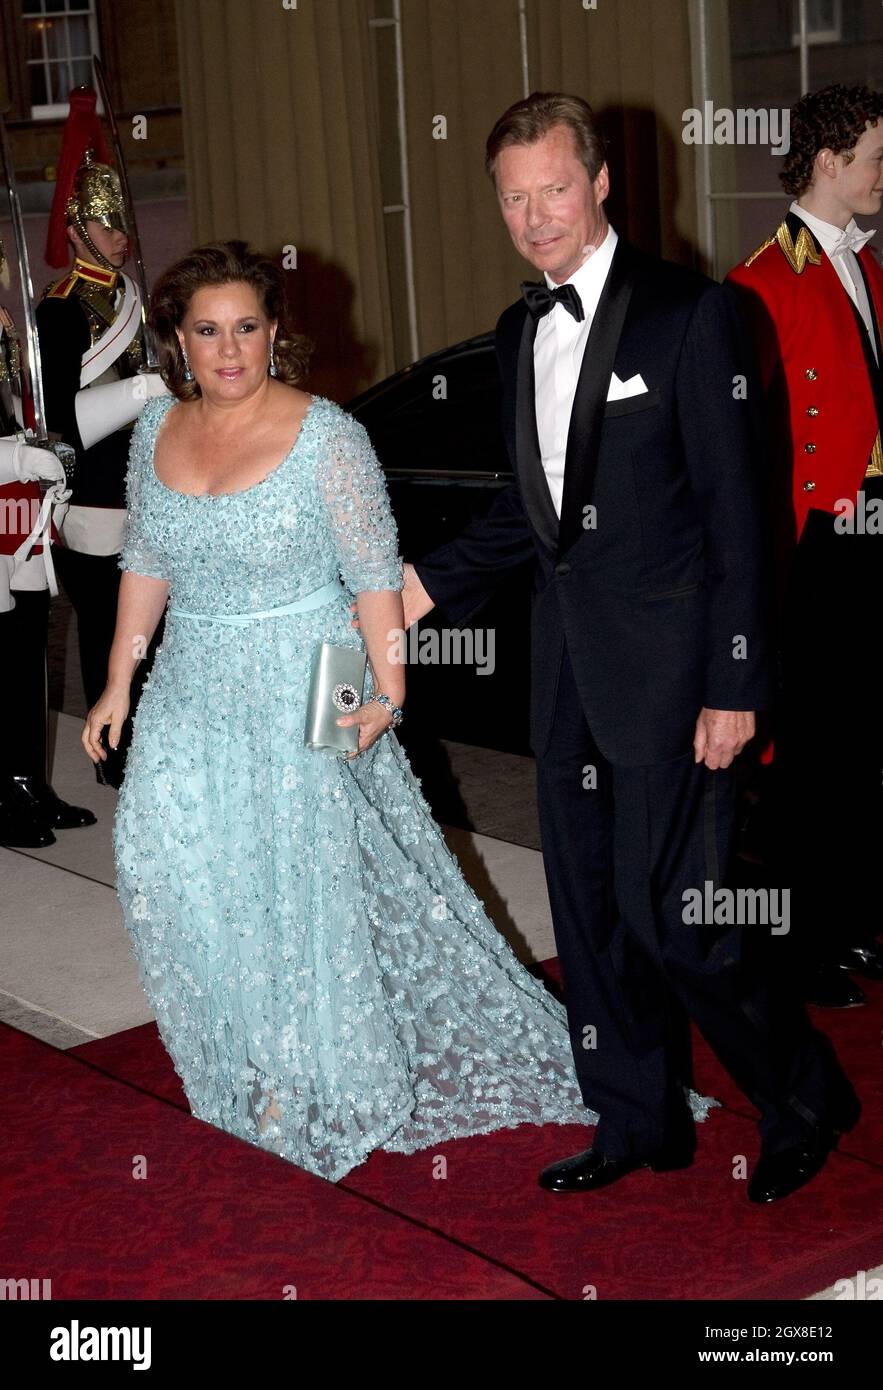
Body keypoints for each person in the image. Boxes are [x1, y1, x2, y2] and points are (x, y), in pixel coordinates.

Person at [80, 238, 719, 1185]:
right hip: (191, 683)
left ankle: (328, 1075)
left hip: (317, 669)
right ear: (177, 338)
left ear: (273, 333)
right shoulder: (152, 435)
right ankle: (247, 1053)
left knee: (303, 883)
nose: (228, 350)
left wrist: (388, 690)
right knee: (165, 864)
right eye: (208, 331)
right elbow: (146, 565)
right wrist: (117, 682)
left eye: (246, 328)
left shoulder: (326, 432)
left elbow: (374, 575)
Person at [401, 92, 859, 1203]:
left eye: (554, 188)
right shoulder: (520, 331)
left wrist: (736, 683)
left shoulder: (690, 315)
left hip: (679, 677)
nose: (535, 215)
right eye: (513, 197)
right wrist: (411, 589)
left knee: (684, 921)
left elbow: (743, 514)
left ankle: (805, 1095)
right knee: (593, 917)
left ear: (601, 182)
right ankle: (634, 1115)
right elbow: (531, 515)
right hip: (567, 673)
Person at [726, 84, 883, 1010]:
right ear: (825, 162)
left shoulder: (866, 265)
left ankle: (850, 922)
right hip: (814, 543)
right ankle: (798, 944)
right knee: (808, 757)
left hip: (871, 532)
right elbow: (746, 453)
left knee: (863, 741)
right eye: (872, 158)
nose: (881, 176)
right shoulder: (759, 282)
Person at [37, 86, 168, 791]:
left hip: (145, 488)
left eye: (121, 221)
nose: (123, 234)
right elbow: (67, 416)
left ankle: (150, 748)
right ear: (78, 228)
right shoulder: (60, 309)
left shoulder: (128, 299)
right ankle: (115, 758)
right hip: (93, 496)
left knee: (153, 636)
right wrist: (148, 387)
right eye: (107, 222)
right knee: (106, 634)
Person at [0, 262, 95, 847]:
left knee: (24, 663)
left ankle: (26, 780)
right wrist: (13, 460)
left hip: (17, 518)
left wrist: (33, 450)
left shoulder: (6, 324)